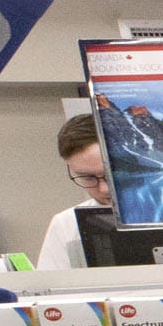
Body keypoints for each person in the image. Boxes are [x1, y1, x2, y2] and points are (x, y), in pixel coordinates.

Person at [36, 111, 116, 269]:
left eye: (111, 175)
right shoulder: (66, 224)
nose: (104, 189)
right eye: (88, 177)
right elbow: (54, 283)